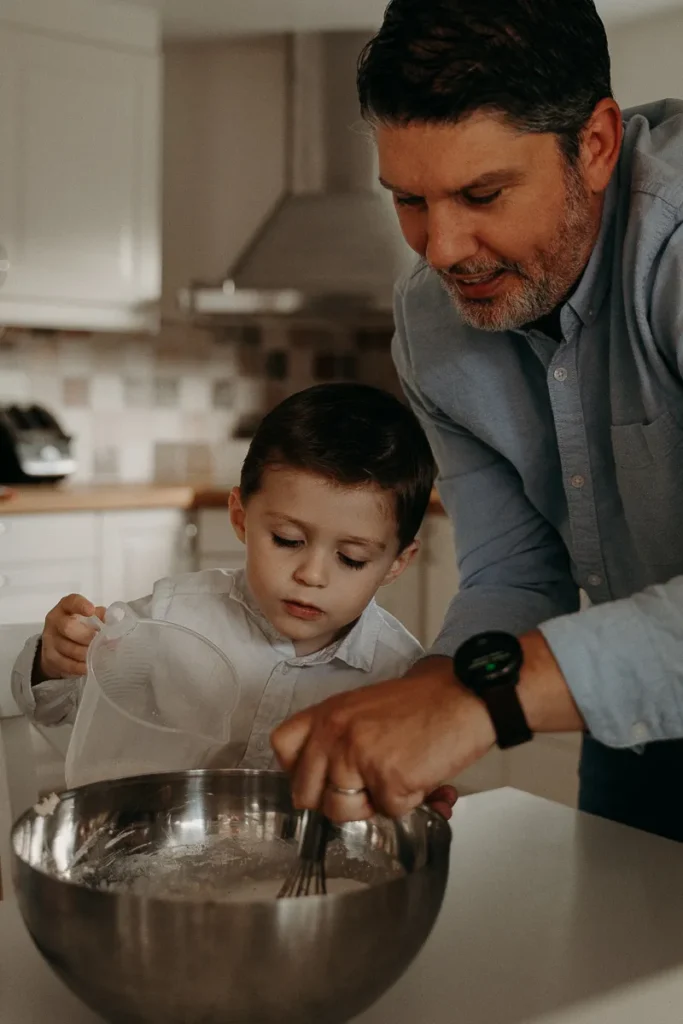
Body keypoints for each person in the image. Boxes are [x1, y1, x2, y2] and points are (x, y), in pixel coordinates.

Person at [272, 0, 683, 842]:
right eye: (409, 200)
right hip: (631, 732)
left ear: (595, 146)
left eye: (482, 193)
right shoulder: (431, 323)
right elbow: (515, 571)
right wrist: (428, 694)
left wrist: (477, 701)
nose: (443, 249)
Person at [13, 383, 452, 802]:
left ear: (397, 562)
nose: (312, 575)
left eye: (352, 558)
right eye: (286, 539)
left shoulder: (399, 676)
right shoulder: (172, 616)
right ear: (241, 518)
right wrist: (54, 662)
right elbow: (57, 709)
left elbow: (399, 785)